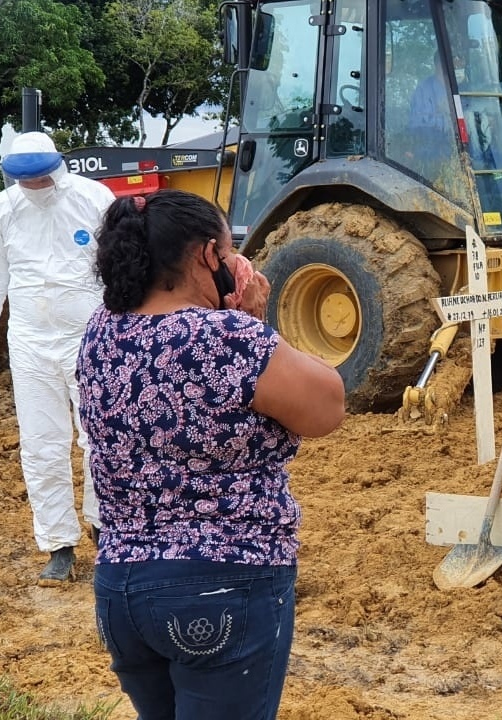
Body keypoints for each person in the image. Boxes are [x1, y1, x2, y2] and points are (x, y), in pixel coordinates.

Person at [76, 189, 345, 720]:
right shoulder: (229, 337)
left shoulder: (101, 330)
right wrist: (255, 323)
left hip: (120, 586)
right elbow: (326, 407)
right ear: (207, 255)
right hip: (223, 580)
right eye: (229, 250)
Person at [0, 131, 115, 585]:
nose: (36, 187)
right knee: (42, 444)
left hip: (90, 337)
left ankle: (106, 528)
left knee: (101, 437)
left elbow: (121, 268)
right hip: (29, 343)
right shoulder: (2, 210)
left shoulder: (93, 198)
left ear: (57, 169)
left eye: (42, 178)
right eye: (27, 180)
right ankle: (59, 545)